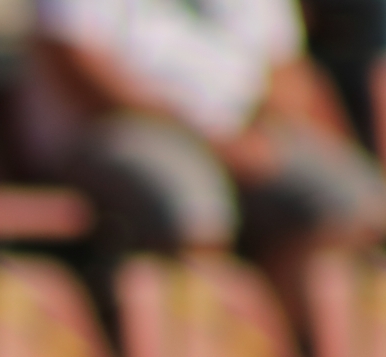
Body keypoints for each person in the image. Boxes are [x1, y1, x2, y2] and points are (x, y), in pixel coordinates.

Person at [21, 0, 386, 326]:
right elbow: (76, 61)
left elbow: (284, 67)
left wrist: (261, 129)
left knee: (359, 204)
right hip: (119, 127)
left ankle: (266, 339)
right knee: (195, 208)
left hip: (239, 130)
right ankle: (185, 347)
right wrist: (204, 138)